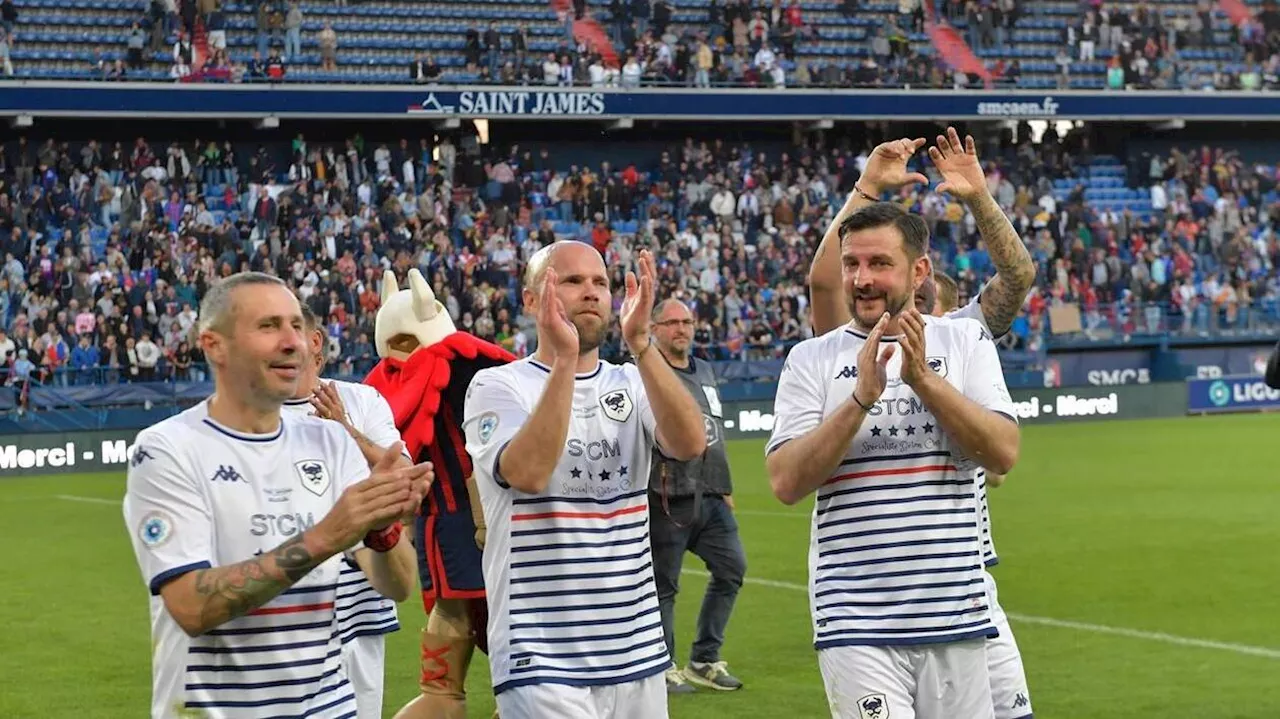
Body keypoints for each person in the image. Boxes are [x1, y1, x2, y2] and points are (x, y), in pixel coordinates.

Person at [122, 271, 432, 719]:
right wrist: (325, 536)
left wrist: (380, 524)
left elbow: (397, 585)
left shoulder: (332, 442)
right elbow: (190, 605)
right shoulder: (167, 448)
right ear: (214, 345)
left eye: (295, 326)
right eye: (268, 326)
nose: (293, 342)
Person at [809, 129, 1037, 719]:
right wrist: (867, 187)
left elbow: (1017, 278)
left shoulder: (964, 338)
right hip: (875, 599)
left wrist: (979, 198)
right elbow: (826, 280)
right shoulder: (843, 347)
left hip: (966, 587)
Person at [462, 242, 707, 719]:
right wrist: (566, 363)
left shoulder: (631, 381)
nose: (590, 292)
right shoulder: (496, 386)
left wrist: (641, 345)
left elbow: (690, 443)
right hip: (541, 655)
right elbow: (528, 472)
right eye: (571, 281)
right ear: (531, 301)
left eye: (601, 283)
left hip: (636, 649)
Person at [282, 305, 417, 719]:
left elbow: (406, 480)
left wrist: (344, 430)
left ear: (316, 342)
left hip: (361, 604)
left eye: (290, 329)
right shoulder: (250, 414)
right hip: (286, 612)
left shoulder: (361, 400)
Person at [646, 297, 746, 694]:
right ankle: (663, 664)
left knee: (732, 569)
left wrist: (725, 486)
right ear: (653, 330)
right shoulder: (646, 372)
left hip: (711, 495)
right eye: (672, 323)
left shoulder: (704, 370)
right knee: (664, 585)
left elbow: (714, 431)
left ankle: (704, 659)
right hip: (668, 496)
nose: (681, 329)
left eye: (686, 322)